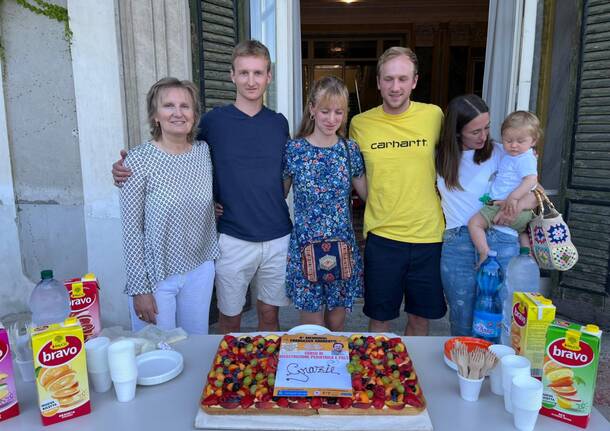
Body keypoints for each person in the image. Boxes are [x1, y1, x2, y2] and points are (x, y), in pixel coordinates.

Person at [113, 40, 292, 333]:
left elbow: (284, 173)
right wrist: (123, 169)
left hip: (276, 234)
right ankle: (228, 373)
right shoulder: (213, 122)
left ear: (268, 76)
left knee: (270, 315)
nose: (251, 80)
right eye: (243, 72)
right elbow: (172, 157)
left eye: (258, 73)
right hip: (232, 236)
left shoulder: (278, 123)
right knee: (229, 319)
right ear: (232, 75)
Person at [349, 47, 447, 336]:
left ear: (414, 81)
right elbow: (356, 172)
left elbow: (461, 157)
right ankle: (378, 379)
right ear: (378, 82)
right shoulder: (360, 124)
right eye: (388, 79)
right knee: (380, 321)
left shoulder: (434, 116)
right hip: (382, 238)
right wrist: (377, 199)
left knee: (419, 319)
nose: (395, 87)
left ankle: (412, 376)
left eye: (402, 79)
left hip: (428, 236)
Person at [120, 77, 219, 334]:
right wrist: (139, 287)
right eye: (169, 106)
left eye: (185, 106)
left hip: (200, 268)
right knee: (157, 353)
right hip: (157, 276)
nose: (178, 113)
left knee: (196, 344)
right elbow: (132, 230)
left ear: (195, 114)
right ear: (155, 115)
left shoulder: (203, 152)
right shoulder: (138, 160)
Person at [436, 94, 538, 336]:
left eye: (487, 128)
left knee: (500, 319)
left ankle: (497, 372)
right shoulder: (439, 157)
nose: (483, 136)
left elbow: (536, 193)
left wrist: (515, 204)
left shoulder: (505, 151)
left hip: (500, 238)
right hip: (457, 243)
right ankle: (466, 372)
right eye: (475, 131)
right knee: (461, 321)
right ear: (457, 131)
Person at [283, 76, 366, 331]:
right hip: (305, 246)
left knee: (336, 324)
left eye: (338, 112)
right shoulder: (294, 150)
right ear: (312, 109)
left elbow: (369, 196)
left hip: (341, 246)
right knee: (312, 329)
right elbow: (277, 196)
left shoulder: (349, 150)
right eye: (325, 111)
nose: (332, 119)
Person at [468, 111, 540, 266]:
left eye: (520, 141)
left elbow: (531, 180)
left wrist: (513, 198)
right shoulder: (513, 155)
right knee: (521, 232)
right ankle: (528, 256)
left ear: (533, 141)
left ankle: (483, 252)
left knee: (474, 224)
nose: (513, 145)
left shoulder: (525, 158)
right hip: (521, 215)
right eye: (508, 140)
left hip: (505, 207)